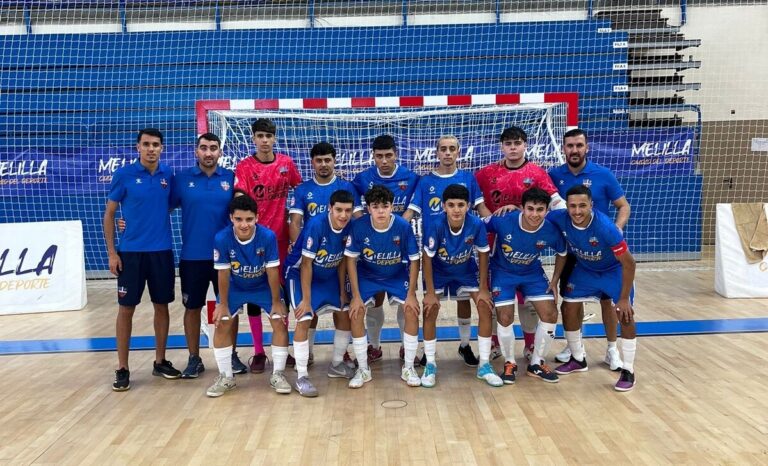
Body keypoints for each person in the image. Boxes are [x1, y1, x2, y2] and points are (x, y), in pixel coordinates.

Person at [475, 126, 565, 361]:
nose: (513, 148)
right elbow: (475, 200)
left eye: (517, 143)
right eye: (508, 144)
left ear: (526, 145)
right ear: (501, 147)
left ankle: (529, 346)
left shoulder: (536, 172)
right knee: (496, 301)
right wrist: (494, 217)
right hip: (495, 243)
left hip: (526, 244)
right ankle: (495, 345)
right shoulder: (487, 173)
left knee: (528, 302)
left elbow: (555, 202)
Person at [164, 133, 248, 378]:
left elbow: (244, 213)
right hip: (193, 256)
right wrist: (129, 222)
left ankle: (231, 355)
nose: (208, 152)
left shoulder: (231, 179)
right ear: (196, 151)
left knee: (230, 308)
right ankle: (194, 358)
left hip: (226, 257)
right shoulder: (181, 180)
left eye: (213, 148)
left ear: (220, 152)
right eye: (204, 148)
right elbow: (161, 207)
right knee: (192, 307)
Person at [548, 128, 631, 370]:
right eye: (570, 146)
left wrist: (616, 228)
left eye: (579, 145)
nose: (574, 150)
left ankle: (612, 349)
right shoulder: (554, 175)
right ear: (563, 149)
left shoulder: (603, 174)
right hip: (571, 249)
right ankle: (576, 348)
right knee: (572, 299)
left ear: (587, 148)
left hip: (602, 249)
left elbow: (623, 206)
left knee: (607, 300)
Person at [406, 136, 492, 368]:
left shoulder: (468, 179)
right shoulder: (425, 182)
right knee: (431, 305)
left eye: (452, 149)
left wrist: (500, 224)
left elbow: (481, 209)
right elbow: (410, 213)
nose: (447, 153)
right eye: (443, 149)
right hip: (436, 256)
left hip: (463, 255)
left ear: (458, 152)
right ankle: (428, 353)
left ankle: (465, 345)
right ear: (436, 152)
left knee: (465, 299)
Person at [103, 128, 179, 391]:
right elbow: (110, 214)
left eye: (156, 144)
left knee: (162, 306)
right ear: (137, 147)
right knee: (126, 309)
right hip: (131, 254)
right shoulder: (123, 174)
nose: (151, 149)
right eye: (146, 144)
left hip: (161, 252)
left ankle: (160, 362)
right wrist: (113, 253)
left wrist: (141, 218)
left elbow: (169, 205)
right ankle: (122, 368)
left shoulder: (168, 175)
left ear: (162, 148)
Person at [548, 185, 638, 392]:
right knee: (568, 306)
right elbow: (533, 217)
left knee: (625, 314)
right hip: (586, 270)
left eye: (582, 206)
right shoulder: (559, 218)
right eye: (572, 206)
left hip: (613, 270)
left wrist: (623, 299)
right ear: (566, 206)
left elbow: (629, 263)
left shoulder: (606, 228)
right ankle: (578, 359)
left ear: (592, 205)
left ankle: (629, 370)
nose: (577, 211)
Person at [233, 118, 302, 373]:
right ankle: (259, 352)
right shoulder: (244, 167)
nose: (264, 140)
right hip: (253, 242)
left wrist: (298, 221)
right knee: (253, 297)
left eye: (268, 136)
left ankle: (283, 350)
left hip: (282, 241)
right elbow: (240, 198)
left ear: (274, 138)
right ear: (253, 138)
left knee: (280, 295)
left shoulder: (286, 164)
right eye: (260, 135)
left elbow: (302, 192)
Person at [206, 196, 290, 397]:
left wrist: (277, 302)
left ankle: (278, 374)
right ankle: (226, 377)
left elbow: (272, 271)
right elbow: (223, 273)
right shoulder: (221, 238)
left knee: (279, 321)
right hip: (236, 286)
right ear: (231, 219)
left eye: (249, 219)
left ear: (257, 218)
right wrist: (223, 304)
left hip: (262, 286)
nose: (244, 224)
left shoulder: (267, 237)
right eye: (239, 219)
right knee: (222, 321)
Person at [484, 188, 567, 385]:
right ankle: (510, 363)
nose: (535, 214)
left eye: (540, 210)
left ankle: (536, 363)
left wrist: (555, 280)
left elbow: (562, 252)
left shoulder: (551, 229)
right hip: (502, 273)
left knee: (550, 313)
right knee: (504, 316)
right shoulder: (504, 220)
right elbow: (477, 226)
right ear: (522, 208)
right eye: (530, 209)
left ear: (547, 211)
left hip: (532, 273)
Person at [351, 135, 420, 365]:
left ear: (396, 154)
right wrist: (371, 225)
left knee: (406, 304)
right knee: (375, 302)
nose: (384, 160)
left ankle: (406, 348)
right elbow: (356, 207)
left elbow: (413, 207)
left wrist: (395, 226)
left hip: (398, 246)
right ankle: (374, 346)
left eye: (388, 155)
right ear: (373, 156)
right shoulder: (362, 179)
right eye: (379, 156)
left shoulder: (411, 177)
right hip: (372, 252)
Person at [288, 142, 358, 366]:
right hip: (311, 254)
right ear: (312, 163)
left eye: (328, 160)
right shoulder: (303, 190)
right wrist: (296, 243)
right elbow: (296, 221)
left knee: (343, 308)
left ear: (334, 161)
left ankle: (341, 355)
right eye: (319, 160)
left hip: (335, 255)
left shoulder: (346, 187)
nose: (324, 164)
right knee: (310, 310)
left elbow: (356, 220)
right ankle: (306, 354)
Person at [345, 185, 420, 388]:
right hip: (368, 275)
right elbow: (350, 260)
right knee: (356, 311)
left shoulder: (403, 227)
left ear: (391, 207)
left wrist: (412, 294)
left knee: (412, 310)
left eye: (384, 206)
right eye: (375, 206)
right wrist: (356, 296)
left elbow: (414, 260)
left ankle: (409, 367)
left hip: (396, 274)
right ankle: (363, 369)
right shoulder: (359, 226)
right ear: (368, 208)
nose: (380, 211)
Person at [285, 190, 357, 396]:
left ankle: (336, 364)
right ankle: (301, 377)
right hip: (299, 274)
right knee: (304, 317)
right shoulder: (316, 225)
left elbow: (343, 258)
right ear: (329, 209)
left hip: (328, 274)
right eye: (339, 210)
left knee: (344, 311)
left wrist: (343, 290)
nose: (343, 215)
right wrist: (307, 301)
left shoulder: (349, 226)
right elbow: (306, 265)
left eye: (348, 211)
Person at [421, 184, 494, 388]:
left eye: (461, 205)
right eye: (451, 205)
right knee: (430, 309)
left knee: (484, 306)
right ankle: (431, 364)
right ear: (443, 206)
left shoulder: (476, 224)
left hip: (465, 270)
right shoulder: (435, 224)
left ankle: (485, 365)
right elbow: (426, 258)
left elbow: (483, 253)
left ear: (468, 206)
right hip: (438, 271)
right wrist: (429, 292)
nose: (456, 209)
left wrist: (483, 288)